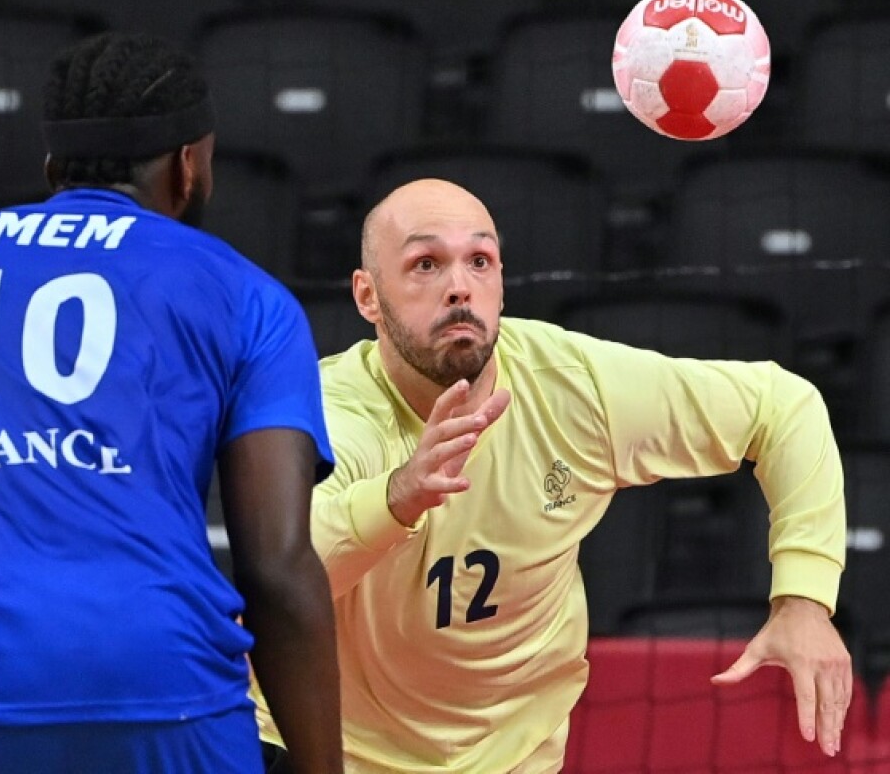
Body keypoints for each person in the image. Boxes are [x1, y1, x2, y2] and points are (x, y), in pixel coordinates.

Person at [0, 32, 343, 774]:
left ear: (53, 168)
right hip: (160, 700)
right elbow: (276, 571)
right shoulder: (246, 295)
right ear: (189, 165)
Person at [252, 178, 852, 773]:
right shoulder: (330, 409)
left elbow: (783, 407)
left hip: (511, 755)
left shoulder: (574, 386)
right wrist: (397, 497)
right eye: (426, 263)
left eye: (480, 261)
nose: (460, 287)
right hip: (331, 747)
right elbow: (283, 570)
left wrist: (805, 600)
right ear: (368, 297)